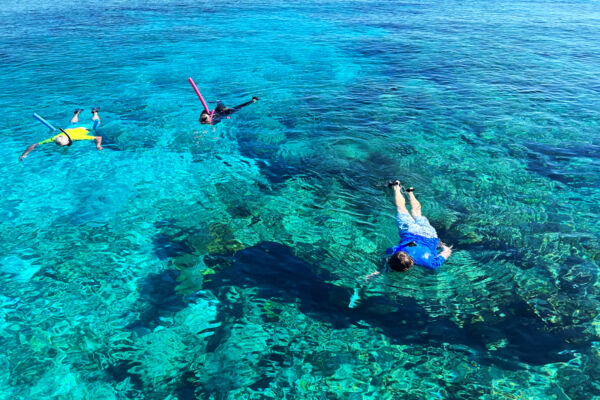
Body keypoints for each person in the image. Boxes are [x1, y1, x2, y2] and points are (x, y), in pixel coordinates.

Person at [366, 180, 452, 281]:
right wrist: (379, 271)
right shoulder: (394, 250)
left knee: (417, 213)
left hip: (429, 234)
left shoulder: (430, 263)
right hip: (409, 231)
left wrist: (441, 245)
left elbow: (447, 251)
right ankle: (397, 187)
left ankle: (410, 192)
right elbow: (389, 258)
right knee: (401, 208)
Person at [20, 108, 103, 161]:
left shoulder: (77, 137)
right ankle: (78, 113)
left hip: (83, 128)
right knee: (73, 123)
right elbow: (33, 145)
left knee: (96, 123)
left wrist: (98, 145)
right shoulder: (54, 138)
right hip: (69, 129)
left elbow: (99, 138)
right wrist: (24, 154)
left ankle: (94, 112)